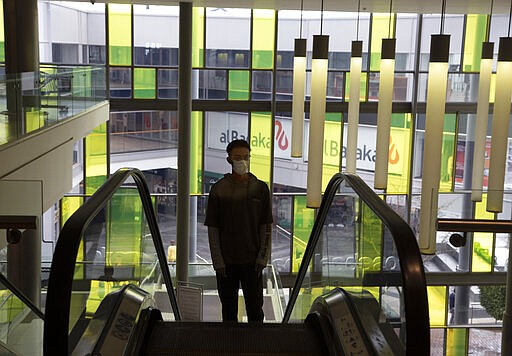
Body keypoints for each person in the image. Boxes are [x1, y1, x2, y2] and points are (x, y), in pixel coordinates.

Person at [204, 139, 273, 322]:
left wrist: (262, 258)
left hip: (252, 261)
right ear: (229, 160)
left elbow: (265, 226)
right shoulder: (219, 189)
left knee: (255, 310)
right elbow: (213, 228)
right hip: (226, 264)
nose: (242, 161)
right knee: (228, 310)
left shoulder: (260, 188)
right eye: (237, 157)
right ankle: (230, 344)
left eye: (245, 157)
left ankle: (256, 346)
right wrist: (218, 261)